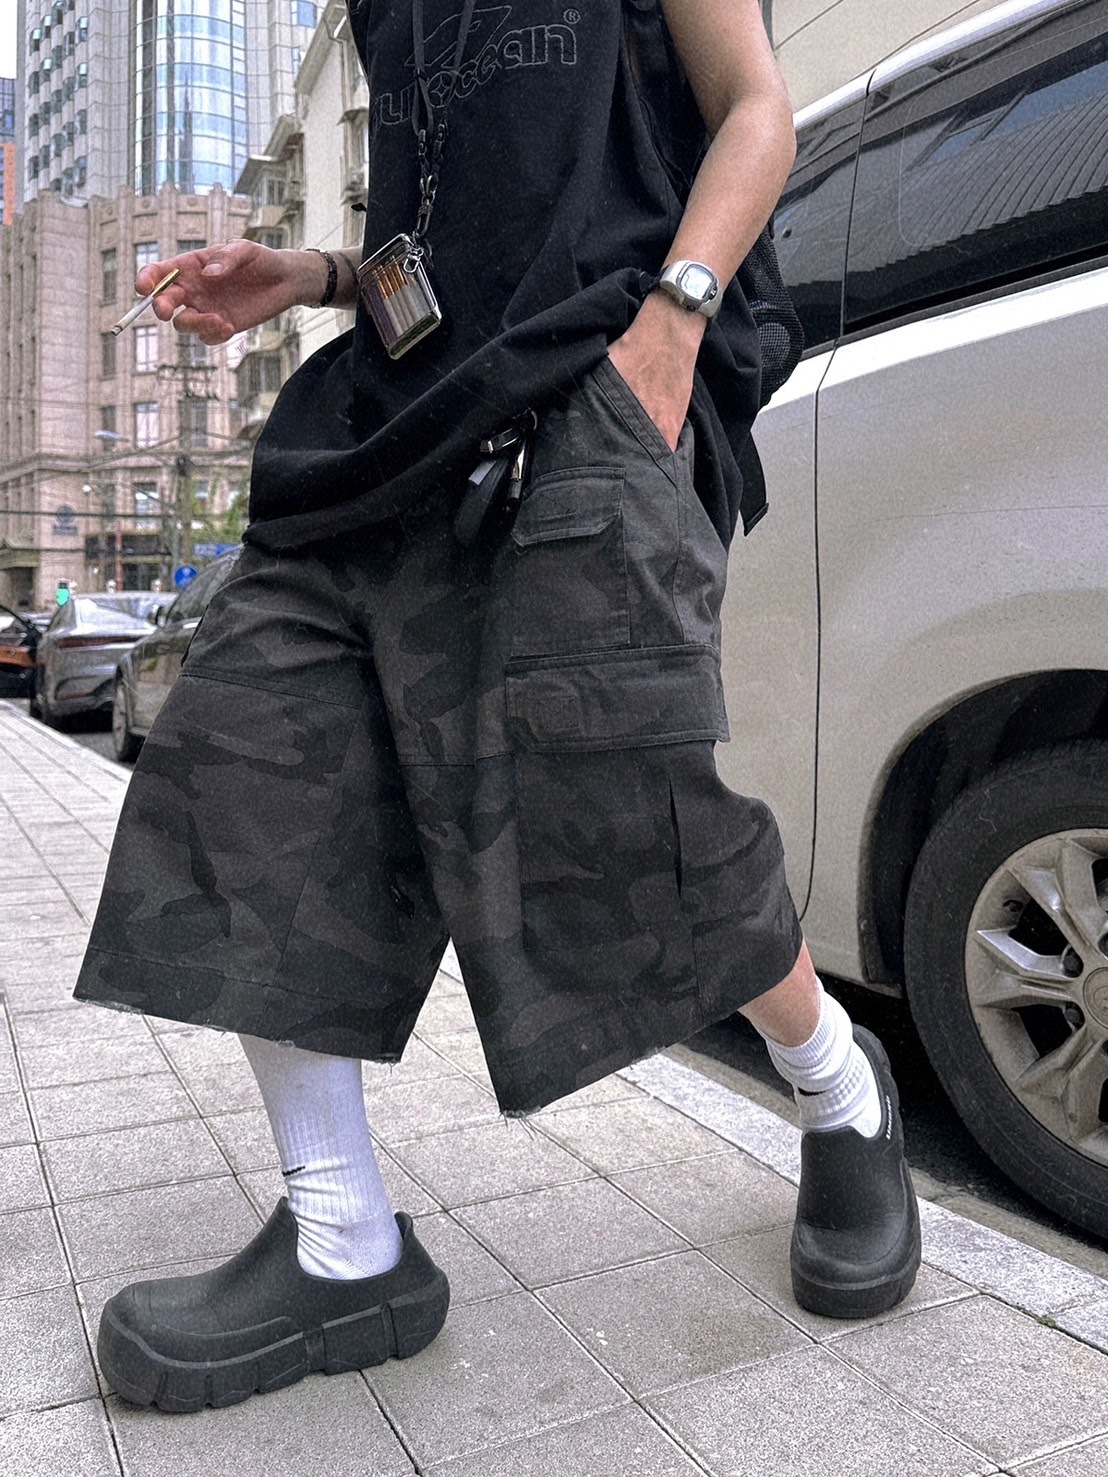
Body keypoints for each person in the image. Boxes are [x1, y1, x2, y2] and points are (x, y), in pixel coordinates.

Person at [75, 0, 920, 1412]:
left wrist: (674, 324)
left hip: (589, 389)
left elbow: (755, 114)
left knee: (624, 822)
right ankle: (344, 1242)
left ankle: (841, 1084)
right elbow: (450, 229)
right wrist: (314, 273)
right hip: (386, 422)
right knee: (247, 778)